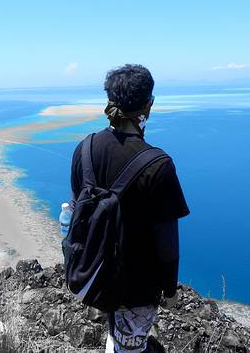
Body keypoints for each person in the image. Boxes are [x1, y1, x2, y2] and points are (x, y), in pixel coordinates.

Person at [70, 64, 190, 352]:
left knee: (115, 338)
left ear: (110, 101)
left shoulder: (85, 149)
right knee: (131, 348)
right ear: (148, 105)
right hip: (137, 286)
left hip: (93, 273)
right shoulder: (158, 165)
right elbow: (166, 240)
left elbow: (77, 209)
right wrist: (170, 289)